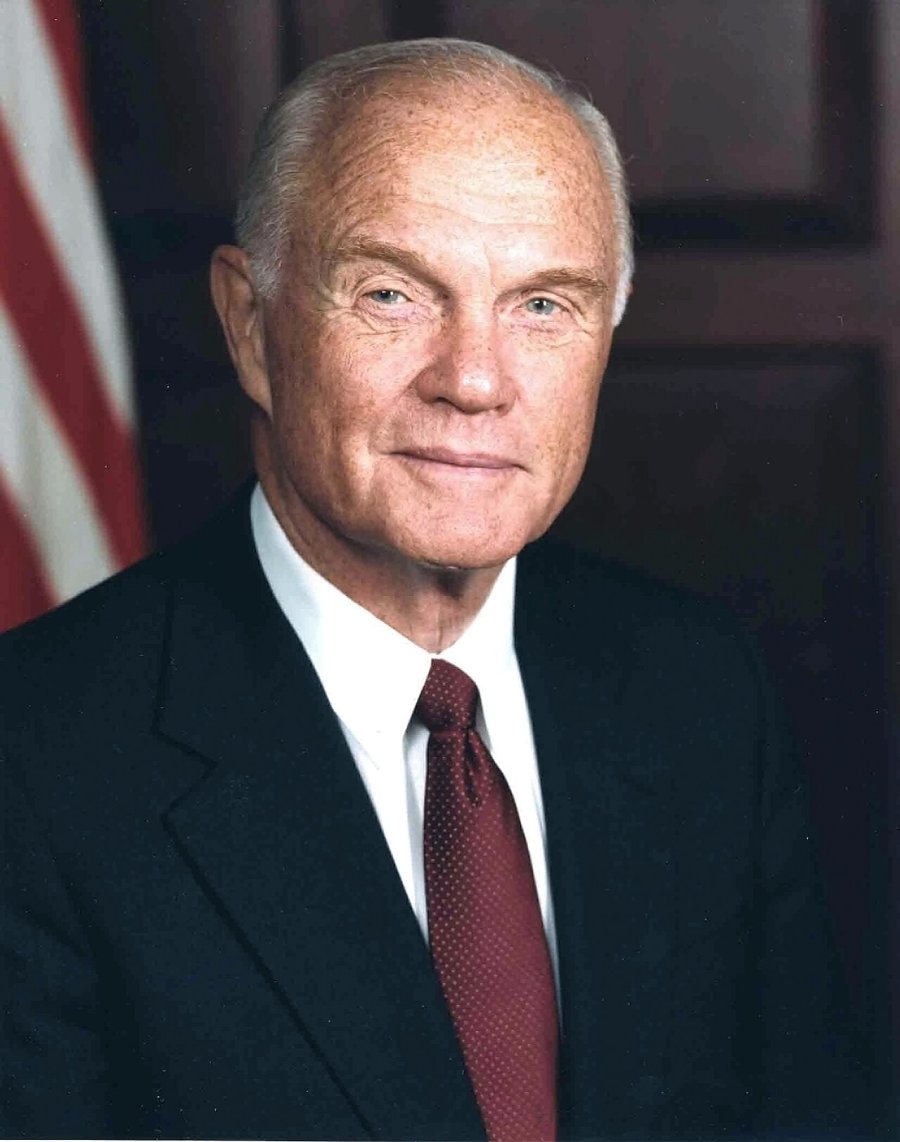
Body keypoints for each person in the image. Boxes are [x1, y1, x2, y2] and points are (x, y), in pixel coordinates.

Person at [1, 38, 862, 1141]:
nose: (476, 380)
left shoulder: (698, 687)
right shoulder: (35, 757)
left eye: (543, 304)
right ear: (251, 324)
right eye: (392, 293)